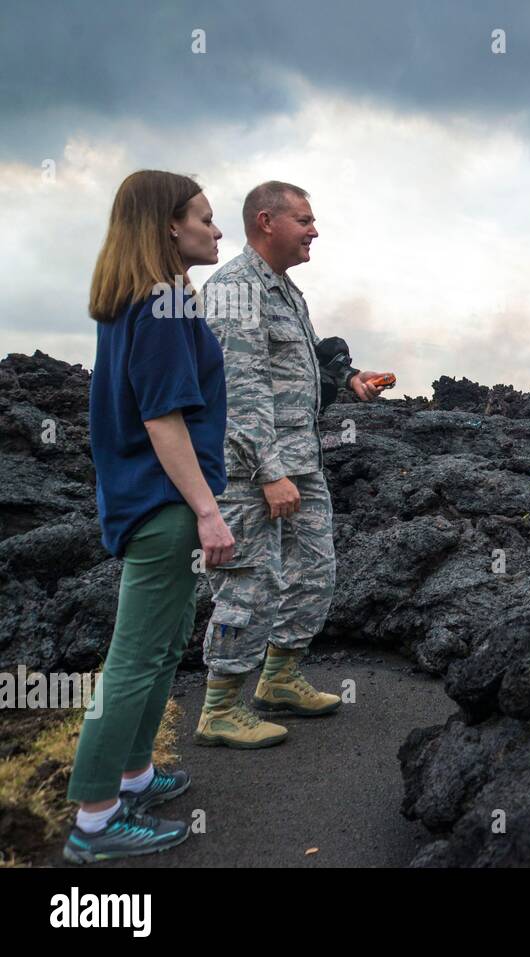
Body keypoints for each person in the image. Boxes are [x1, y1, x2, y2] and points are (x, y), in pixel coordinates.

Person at [64, 170, 234, 863]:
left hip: (144, 498)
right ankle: (96, 819)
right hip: (166, 503)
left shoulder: (136, 301)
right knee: (135, 657)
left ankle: (133, 774)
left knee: (163, 647)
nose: (215, 229)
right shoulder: (162, 301)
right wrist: (208, 511)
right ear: (169, 224)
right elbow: (162, 420)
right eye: (204, 216)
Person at [195, 180, 387, 747]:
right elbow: (240, 387)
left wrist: (348, 379)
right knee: (251, 583)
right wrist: (268, 472)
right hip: (251, 468)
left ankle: (278, 678)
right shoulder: (234, 287)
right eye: (303, 220)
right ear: (266, 221)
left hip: (300, 459)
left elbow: (293, 370)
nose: (314, 230)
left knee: (314, 571)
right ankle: (219, 707)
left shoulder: (285, 291)